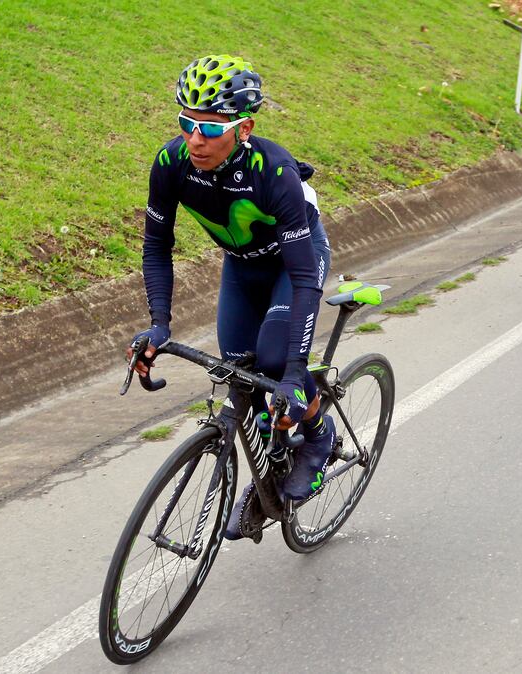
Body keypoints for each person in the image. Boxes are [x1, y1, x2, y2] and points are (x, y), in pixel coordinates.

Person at [127, 55, 334, 539]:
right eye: (187, 124)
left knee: (275, 360)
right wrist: (160, 324)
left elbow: (305, 277)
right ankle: (272, 465)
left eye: (209, 128)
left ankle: (318, 434)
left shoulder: (274, 172)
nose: (195, 139)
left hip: (294, 266)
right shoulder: (171, 163)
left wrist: (295, 370)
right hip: (242, 268)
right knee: (239, 370)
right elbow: (156, 247)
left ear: (244, 129)